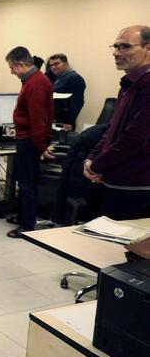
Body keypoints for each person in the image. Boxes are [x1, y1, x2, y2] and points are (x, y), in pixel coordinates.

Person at [83, 25, 150, 219]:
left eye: (125, 47)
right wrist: (92, 158)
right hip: (116, 180)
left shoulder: (147, 85)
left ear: (147, 48)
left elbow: (135, 138)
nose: (116, 53)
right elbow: (112, 128)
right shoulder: (128, 84)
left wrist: (97, 165)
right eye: (116, 47)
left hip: (136, 186)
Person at [5, 46, 54, 238]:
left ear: (20, 64)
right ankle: (23, 216)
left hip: (29, 141)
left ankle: (26, 226)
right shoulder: (33, 80)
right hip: (27, 138)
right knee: (24, 181)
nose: (12, 72)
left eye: (12, 67)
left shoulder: (35, 83)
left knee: (27, 184)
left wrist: (41, 146)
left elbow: (37, 117)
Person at [47, 53, 86, 131]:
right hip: (57, 121)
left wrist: (69, 122)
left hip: (65, 124)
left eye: (56, 64)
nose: (53, 67)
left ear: (65, 63)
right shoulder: (59, 78)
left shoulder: (74, 78)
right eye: (51, 65)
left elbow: (77, 103)